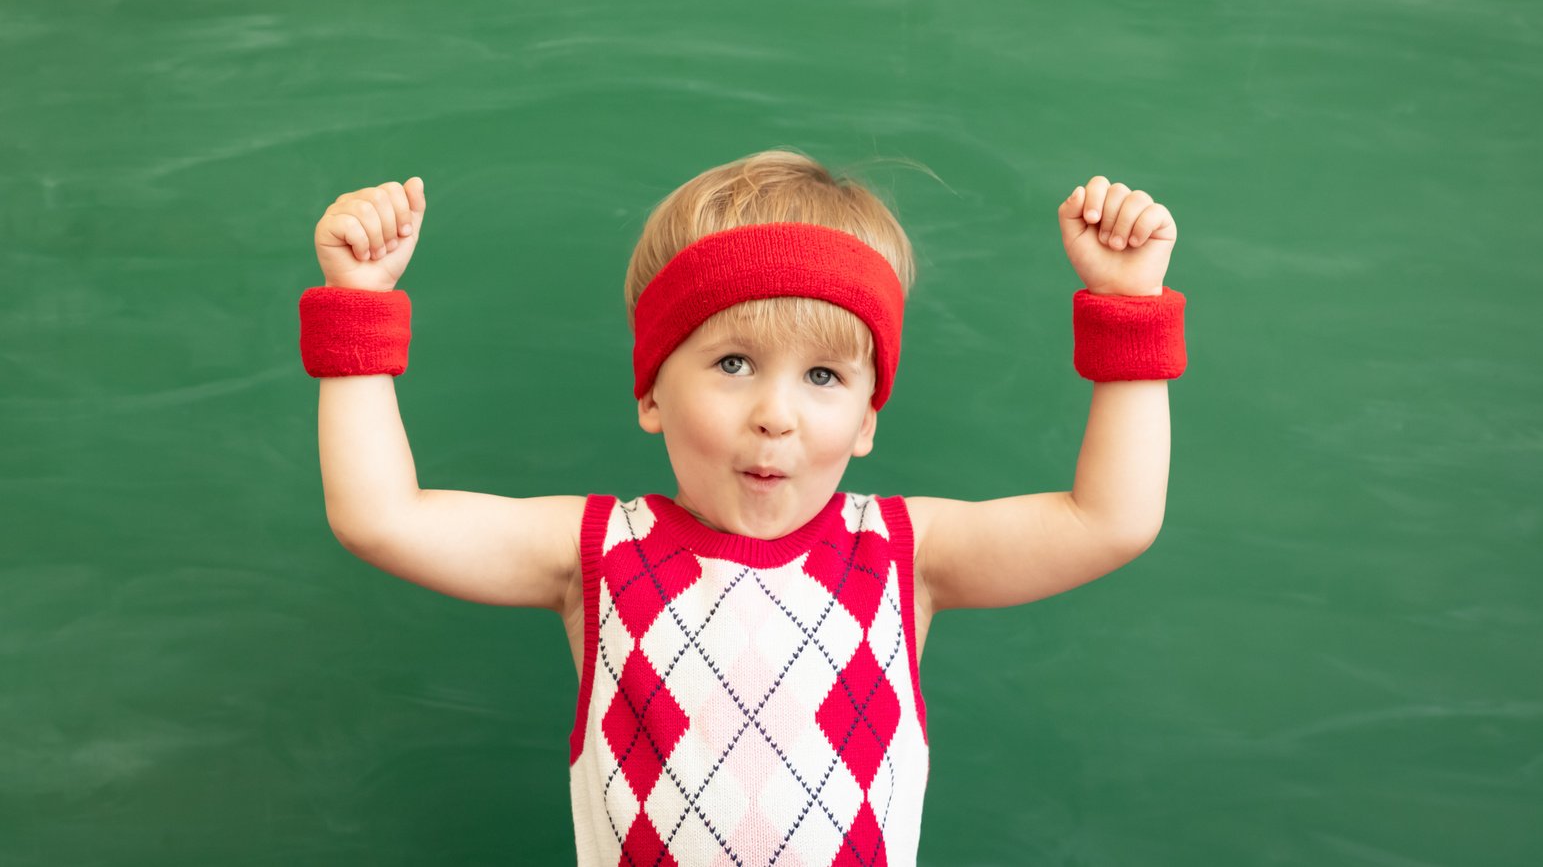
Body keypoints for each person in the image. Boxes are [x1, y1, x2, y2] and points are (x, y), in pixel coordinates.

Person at [299, 150, 1185, 867]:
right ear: (650, 390)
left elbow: (1110, 518)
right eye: (732, 363)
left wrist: (1129, 305)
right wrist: (356, 307)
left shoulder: (904, 555)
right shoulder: (594, 552)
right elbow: (381, 514)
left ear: (869, 417)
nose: (776, 412)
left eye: (825, 375)